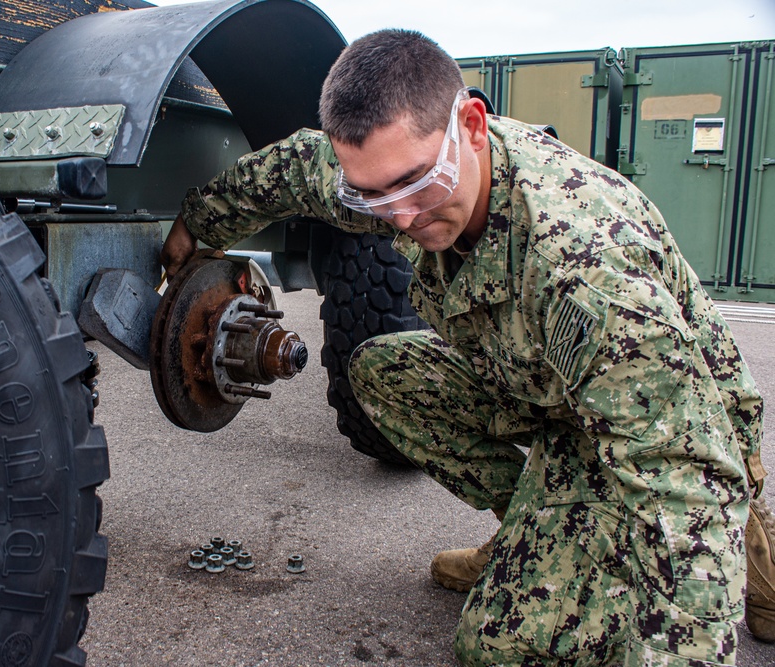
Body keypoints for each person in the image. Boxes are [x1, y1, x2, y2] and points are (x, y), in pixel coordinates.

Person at [161, 29, 773, 665]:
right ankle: (537, 532)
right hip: (545, 384)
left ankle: (747, 538)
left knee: (497, 646)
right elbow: (289, 172)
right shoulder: (398, 170)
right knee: (382, 370)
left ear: (472, 127)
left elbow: (683, 486)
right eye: (370, 194)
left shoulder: (582, 271)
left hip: (659, 427)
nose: (399, 217)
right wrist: (195, 226)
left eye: (412, 185)